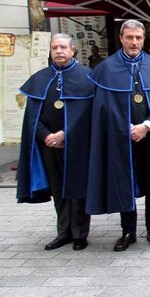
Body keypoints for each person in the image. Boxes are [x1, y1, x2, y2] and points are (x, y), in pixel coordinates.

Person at [86, 20, 150, 251]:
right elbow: (104, 106)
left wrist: (147, 125)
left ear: (143, 40)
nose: (134, 42)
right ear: (121, 38)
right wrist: (127, 127)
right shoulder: (106, 68)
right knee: (124, 182)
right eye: (129, 37)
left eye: (138, 38)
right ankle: (128, 231)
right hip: (121, 138)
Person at [17, 33, 94, 251]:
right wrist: (46, 136)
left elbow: (89, 114)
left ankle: (80, 233)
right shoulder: (41, 78)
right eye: (54, 48)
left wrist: (65, 134)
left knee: (78, 189)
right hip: (49, 146)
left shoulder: (87, 77)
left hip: (78, 145)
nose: (58, 51)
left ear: (72, 50)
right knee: (58, 189)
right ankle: (64, 232)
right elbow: (32, 116)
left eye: (63, 47)